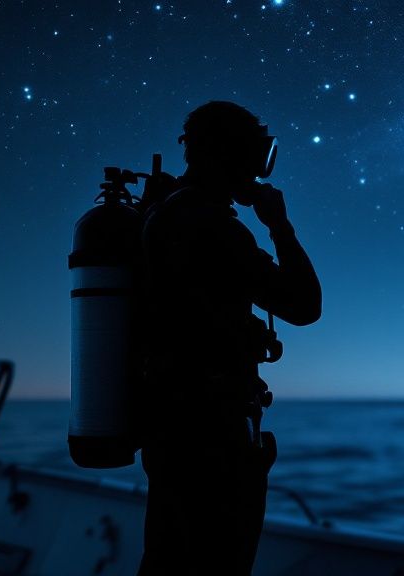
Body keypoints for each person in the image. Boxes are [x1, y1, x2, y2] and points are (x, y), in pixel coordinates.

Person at [136, 101, 321, 575]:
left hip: (170, 424)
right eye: (254, 156)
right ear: (230, 155)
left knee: (168, 560)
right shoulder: (213, 226)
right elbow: (304, 306)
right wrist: (279, 225)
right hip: (211, 436)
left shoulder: (164, 215)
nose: (257, 171)